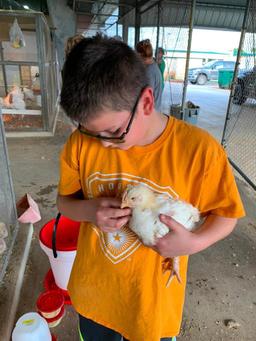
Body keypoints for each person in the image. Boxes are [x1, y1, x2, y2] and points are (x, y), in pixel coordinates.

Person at [58, 34, 245, 341]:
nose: (104, 143)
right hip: (95, 294)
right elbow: (64, 203)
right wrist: (89, 210)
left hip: (150, 304)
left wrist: (194, 244)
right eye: (93, 133)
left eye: (114, 131)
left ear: (146, 102)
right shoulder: (80, 144)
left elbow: (227, 215)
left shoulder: (199, 152)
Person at [136, 39, 163, 112]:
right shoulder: (153, 65)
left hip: (151, 112)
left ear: (140, 55)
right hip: (154, 110)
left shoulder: (149, 71)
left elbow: (146, 97)